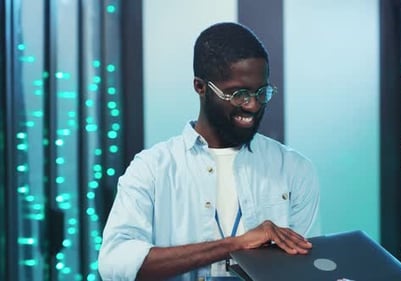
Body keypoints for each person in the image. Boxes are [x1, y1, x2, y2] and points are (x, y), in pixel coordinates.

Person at [98, 22, 320, 281]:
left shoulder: (294, 169)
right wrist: (233, 245)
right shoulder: (152, 168)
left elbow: (305, 269)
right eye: (238, 94)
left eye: (262, 92)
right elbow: (114, 262)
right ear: (200, 87)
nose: (252, 105)